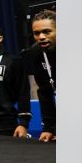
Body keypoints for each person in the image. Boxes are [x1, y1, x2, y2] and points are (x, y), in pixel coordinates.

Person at [23, 9, 56, 142]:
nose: (41, 37)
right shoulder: (36, 52)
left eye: (47, 31)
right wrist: (48, 128)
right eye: (37, 33)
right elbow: (45, 92)